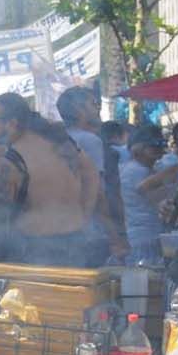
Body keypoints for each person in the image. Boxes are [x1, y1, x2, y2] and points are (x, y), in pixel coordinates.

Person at [0, 93, 98, 265]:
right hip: (78, 238)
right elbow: (92, 174)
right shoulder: (63, 144)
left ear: (12, 123)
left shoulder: (10, 161)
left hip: (36, 247)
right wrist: (85, 213)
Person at [57, 85, 129, 265]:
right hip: (91, 232)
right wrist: (115, 236)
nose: (99, 107)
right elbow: (97, 192)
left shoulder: (59, 139)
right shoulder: (89, 140)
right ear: (78, 110)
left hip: (64, 229)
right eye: (93, 103)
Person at [121, 125, 177, 264]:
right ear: (138, 148)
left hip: (149, 235)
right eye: (153, 145)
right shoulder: (136, 170)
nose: (159, 149)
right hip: (142, 237)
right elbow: (160, 198)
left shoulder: (148, 168)